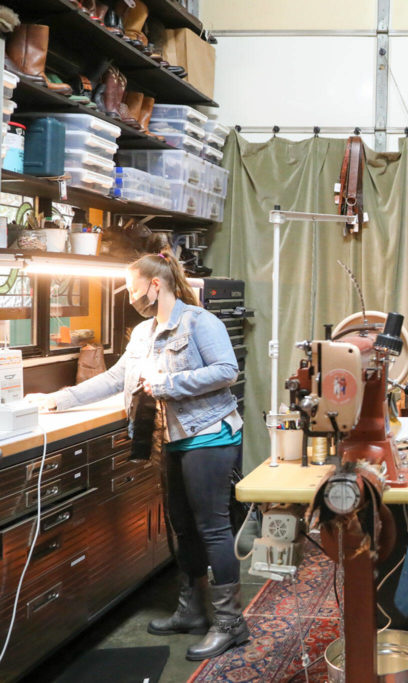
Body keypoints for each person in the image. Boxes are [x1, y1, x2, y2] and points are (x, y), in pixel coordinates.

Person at [27, 249, 247, 661]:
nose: (131, 297)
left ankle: (231, 625)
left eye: (132, 289)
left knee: (211, 529)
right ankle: (192, 610)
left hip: (210, 437)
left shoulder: (201, 322)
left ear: (155, 285)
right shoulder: (143, 334)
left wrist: (167, 382)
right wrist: (59, 399)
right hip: (172, 439)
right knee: (181, 526)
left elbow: (225, 371)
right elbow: (113, 379)